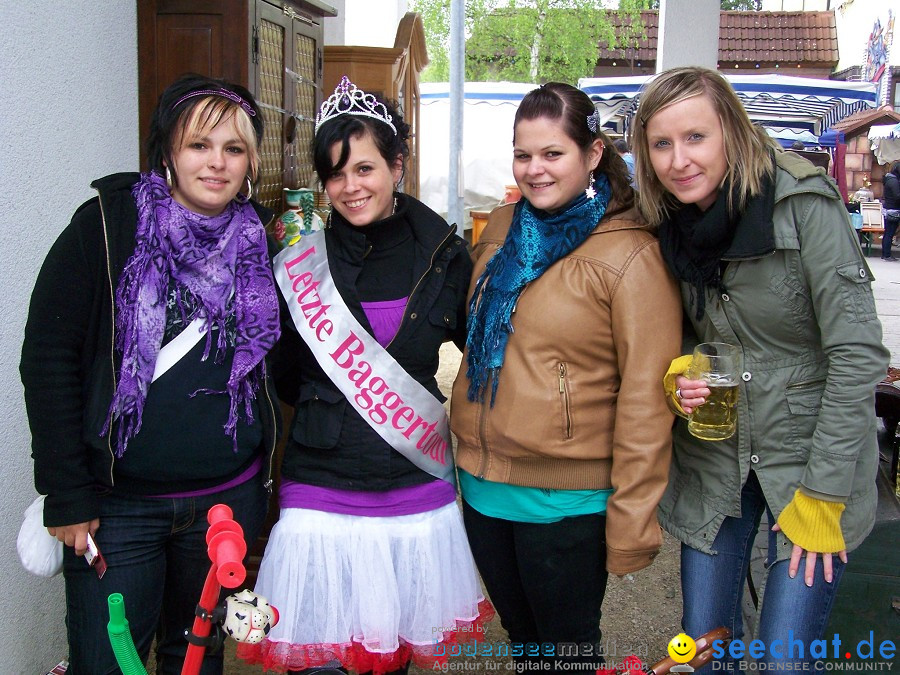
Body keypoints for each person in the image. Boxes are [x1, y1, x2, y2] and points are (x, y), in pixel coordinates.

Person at [631, 66, 889, 673]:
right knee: (704, 650)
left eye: (695, 137)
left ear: (731, 132)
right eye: (661, 144)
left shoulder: (801, 202)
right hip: (717, 461)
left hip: (810, 457)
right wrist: (677, 381)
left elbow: (858, 353)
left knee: (784, 660)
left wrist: (824, 495)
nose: (678, 160)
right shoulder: (663, 223)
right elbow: (678, 339)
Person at [19, 74, 281, 673]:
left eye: (233, 149)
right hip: (117, 510)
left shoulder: (262, 241)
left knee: (194, 659)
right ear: (167, 150)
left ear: (250, 162)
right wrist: (66, 492)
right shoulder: (105, 226)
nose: (216, 163)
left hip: (224, 502)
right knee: (106, 661)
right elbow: (48, 358)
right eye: (199, 145)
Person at [237, 77, 491, 675]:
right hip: (320, 485)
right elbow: (284, 375)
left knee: (390, 657)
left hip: (414, 483)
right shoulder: (300, 262)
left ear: (397, 165)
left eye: (365, 169)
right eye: (335, 173)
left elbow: (486, 353)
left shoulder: (445, 255)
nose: (350, 187)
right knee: (319, 655)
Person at [450, 82, 682, 672]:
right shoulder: (501, 228)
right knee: (527, 647)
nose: (535, 169)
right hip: (484, 486)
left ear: (593, 154)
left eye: (553, 153)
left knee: (568, 655)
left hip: (566, 501)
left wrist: (632, 518)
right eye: (523, 154)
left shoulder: (631, 254)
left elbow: (645, 399)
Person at [881, 161, 900, 260]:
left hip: (889, 208)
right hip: (893, 209)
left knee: (888, 232)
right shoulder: (894, 181)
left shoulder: (889, 179)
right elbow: (897, 196)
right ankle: (887, 255)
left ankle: (885, 254)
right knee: (890, 233)